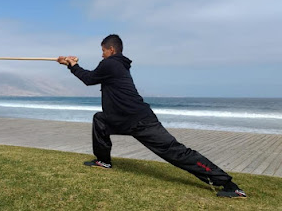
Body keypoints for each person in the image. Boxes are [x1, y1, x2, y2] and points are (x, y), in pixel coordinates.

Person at [58, 34, 247, 198]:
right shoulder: (117, 65)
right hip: (123, 119)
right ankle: (103, 161)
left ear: (112, 49)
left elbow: (89, 79)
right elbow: (93, 76)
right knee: (100, 120)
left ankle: (229, 185)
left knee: (176, 152)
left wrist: (72, 65)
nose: (102, 54)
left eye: (103, 50)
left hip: (141, 121)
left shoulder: (110, 64)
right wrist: (72, 65)